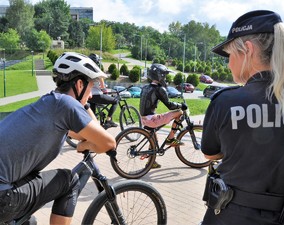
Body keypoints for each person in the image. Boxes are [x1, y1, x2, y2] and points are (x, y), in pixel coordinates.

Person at [200, 10, 284, 225]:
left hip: (229, 216)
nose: (228, 64)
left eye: (230, 55)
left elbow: (210, 153)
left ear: (247, 50)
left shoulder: (226, 101)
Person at [0, 52, 116, 225]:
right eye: (91, 87)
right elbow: (108, 143)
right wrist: (85, 145)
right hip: (4, 198)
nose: (91, 95)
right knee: (70, 180)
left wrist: (85, 140)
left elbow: (86, 133)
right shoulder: (66, 105)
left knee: (28, 222)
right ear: (79, 84)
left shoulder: (49, 104)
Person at [140, 63, 187, 168]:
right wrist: (181, 105)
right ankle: (171, 138)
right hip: (152, 119)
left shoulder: (145, 87)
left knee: (154, 138)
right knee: (179, 112)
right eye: (164, 75)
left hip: (144, 119)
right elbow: (170, 106)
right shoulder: (159, 89)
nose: (165, 77)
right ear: (160, 76)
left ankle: (151, 162)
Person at [88, 53, 118, 129]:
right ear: (97, 62)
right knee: (115, 101)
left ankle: (92, 131)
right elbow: (102, 86)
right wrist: (105, 89)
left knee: (93, 117)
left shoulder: (87, 71)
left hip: (89, 96)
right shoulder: (97, 71)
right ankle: (108, 120)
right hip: (97, 95)